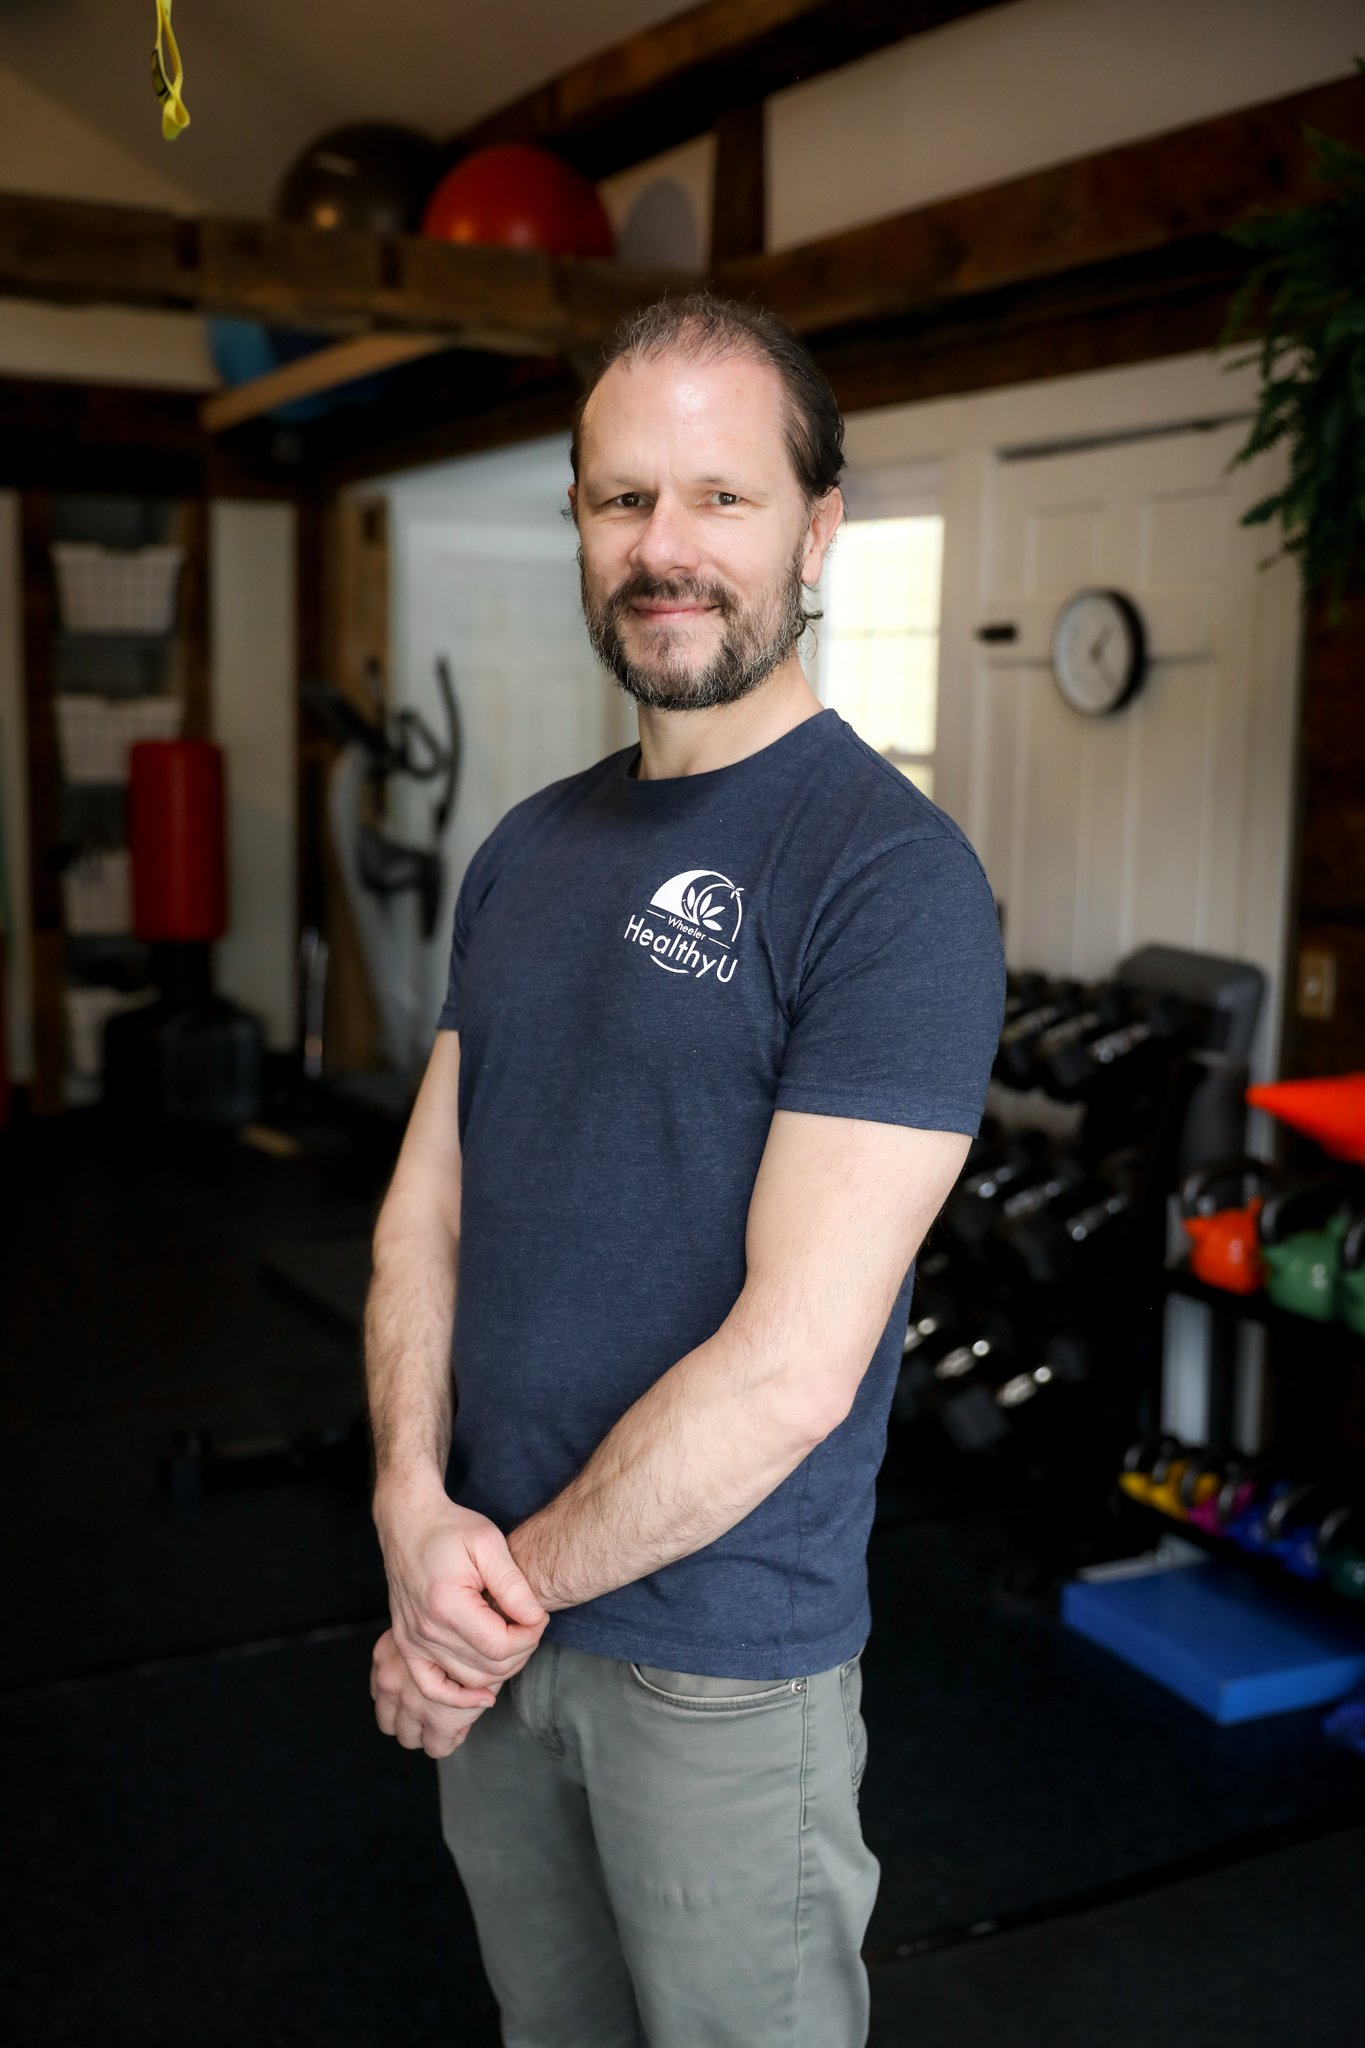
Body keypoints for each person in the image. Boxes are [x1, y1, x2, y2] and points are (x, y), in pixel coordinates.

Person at [365, 291, 1005, 2048]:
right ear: (576, 525)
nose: (665, 548)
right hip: (485, 1597)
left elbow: (793, 1366)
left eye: (720, 498)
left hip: (713, 1661)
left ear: (817, 531)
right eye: (618, 498)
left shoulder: (889, 882)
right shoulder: (523, 848)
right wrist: (411, 1511)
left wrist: (480, 1610)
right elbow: (428, 1211)